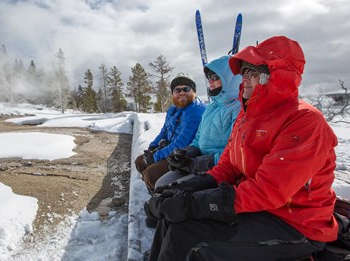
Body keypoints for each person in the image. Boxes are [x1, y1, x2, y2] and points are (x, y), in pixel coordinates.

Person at [144, 36, 338, 261]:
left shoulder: (304, 121)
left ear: (278, 77)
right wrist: (186, 188)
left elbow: (269, 190)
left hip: (295, 222)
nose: (245, 79)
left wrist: (195, 205)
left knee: (188, 235)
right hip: (256, 207)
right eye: (245, 72)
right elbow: (227, 166)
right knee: (174, 216)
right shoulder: (249, 115)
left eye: (254, 73)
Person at [155, 55, 241, 188]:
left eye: (216, 77)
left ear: (230, 79)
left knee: (170, 191)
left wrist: (197, 163)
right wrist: (188, 152)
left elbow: (236, 152)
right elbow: (198, 138)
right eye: (209, 78)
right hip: (199, 162)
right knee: (161, 184)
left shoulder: (237, 108)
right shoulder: (211, 107)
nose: (211, 81)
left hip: (219, 168)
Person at [135, 73, 205, 193]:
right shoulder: (173, 110)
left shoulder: (195, 111)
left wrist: (156, 156)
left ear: (194, 91)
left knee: (150, 174)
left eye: (186, 89)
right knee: (140, 161)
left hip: (184, 155)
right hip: (169, 149)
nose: (182, 92)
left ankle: (162, 196)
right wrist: (153, 146)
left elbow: (183, 142)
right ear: (173, 93)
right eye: (177, 90)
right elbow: (164, 132)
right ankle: (154, 189)